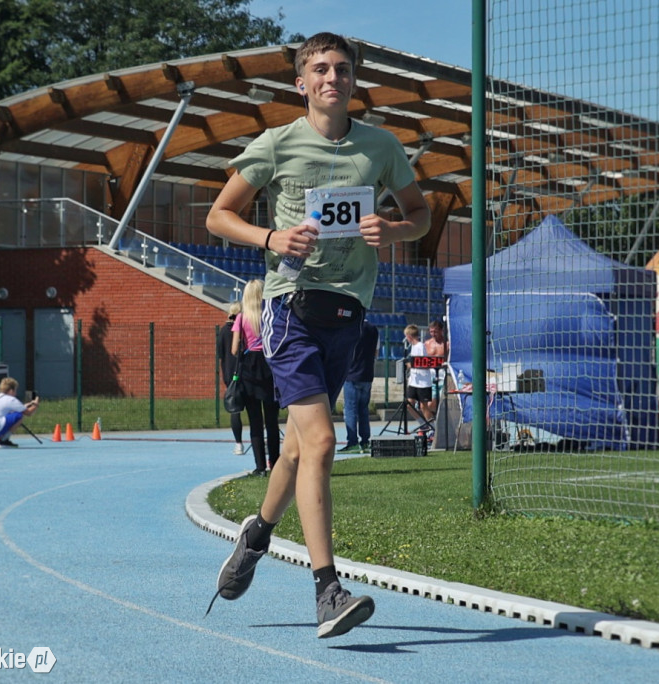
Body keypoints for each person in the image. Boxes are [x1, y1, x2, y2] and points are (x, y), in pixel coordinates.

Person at [205, 32, 430, 638]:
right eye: (321, 70)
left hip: (348, 313)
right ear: (301, 83)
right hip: (290, 309)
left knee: (302, 448)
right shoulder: (277, 143)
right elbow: (218, 215)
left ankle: (256, 534)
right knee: (324, 442)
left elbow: (422, 213)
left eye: (343, 69)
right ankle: (327, 588)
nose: (333, 78)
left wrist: (395, 229)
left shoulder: (380, 147)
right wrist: (272, 239)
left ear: (355, 81)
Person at [231, 280, 281, 475]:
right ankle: (275, 464)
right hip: (269, 365)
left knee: (255, 421)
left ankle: (260, 466)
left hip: (249, 368)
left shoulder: (241, 318)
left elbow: (235, 349)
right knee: (272, 421)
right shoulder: (270, 315)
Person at [338, 318, 379, 454]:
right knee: (363, 410)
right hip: (367, 374)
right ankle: (365, 441)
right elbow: (376, 352)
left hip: (352, 374)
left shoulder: (350, 327)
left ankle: (352, 442)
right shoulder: (373, 329)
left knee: (350, 410)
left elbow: (343, 350)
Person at [0, 377, 40, 448]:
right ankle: (3, 440)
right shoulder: (11, 399)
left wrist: (24, 406)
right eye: (15, 390)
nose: (16, 393)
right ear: (11, 390)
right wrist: (35, 405)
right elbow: (28, 413)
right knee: (19, 415)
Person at [218, 301, 245, 455]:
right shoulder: (241, 328)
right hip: (244, 370)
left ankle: (238, 444)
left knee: (235, 410)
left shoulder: (223, 331)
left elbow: (221, 354)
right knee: (255, 407)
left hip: (229, 373)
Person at [404, 324, 434, 427]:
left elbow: (424, 363)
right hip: (414, 382)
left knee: (423, 407)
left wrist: (410, 365)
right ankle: (423, 424)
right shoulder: (412, 347)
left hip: (423, 382)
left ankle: (433, 428)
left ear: (409, 336)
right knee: (408, 404)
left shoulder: (420, 346)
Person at [423, 319, 448, 420]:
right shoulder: (427, 344)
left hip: (443, 375)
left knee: (438, 403)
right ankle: (431, 426)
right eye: (431, 331)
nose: (433, 334)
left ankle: (437, 422)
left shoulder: (447, 344)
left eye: (435, 331)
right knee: (427, 404)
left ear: (441, 331)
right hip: (430, 375)